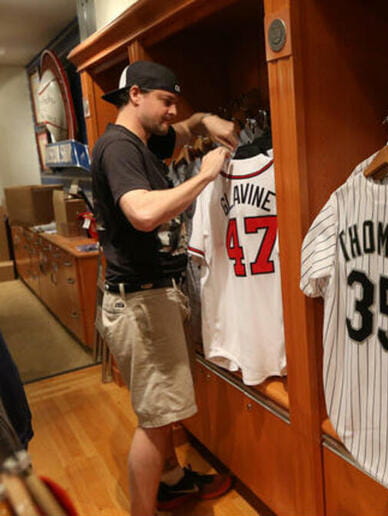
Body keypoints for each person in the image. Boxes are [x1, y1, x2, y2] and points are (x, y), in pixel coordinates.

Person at [91, 60, 238, 516]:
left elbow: (182, 133)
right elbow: (141, 213)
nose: (173, 111)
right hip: (142, 301)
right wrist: (205, 175)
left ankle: (171, 481)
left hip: (147, 296)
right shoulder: (118, 148)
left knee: (160, 411)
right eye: (166, 101)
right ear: (135, 94)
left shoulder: (141, 140)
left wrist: (203, 121)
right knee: (155, 423)